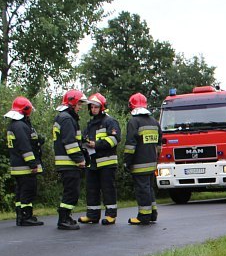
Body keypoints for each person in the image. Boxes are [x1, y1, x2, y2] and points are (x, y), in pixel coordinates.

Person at [79, 93, 121, 225]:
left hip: (107, 162)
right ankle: (92, 215)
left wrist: (96, 144)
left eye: (96, 107)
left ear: (102, 107)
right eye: (91, 107)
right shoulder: (90, 123)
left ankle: (111, 215)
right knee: (91, 189)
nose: (93, 109)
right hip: (92, 163)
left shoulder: (110, 121)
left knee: (108, 189)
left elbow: (115, 139)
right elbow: (85, 137)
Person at [5, 96, 44, 226]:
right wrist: (32, 164)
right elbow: (25, 147)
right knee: (28, 191)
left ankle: (20, 216)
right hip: (24, 167)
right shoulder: (20, 126)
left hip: (17, 166)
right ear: (25, 110)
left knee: (20, 192)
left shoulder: (14, 125)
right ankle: (26, 216)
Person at [124, 92, 161, 225]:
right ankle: (152, 213)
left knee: (142, 190)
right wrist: (156, 159)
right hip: (152, 163)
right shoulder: (154, 122)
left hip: (139, 163)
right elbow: (159, 144)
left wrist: (127, 162)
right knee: (149, 189)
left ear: (131, 106)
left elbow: (130, 146)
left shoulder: (134, 122)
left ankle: (143, 216)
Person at [53, 89, 88, 230]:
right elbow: (70, 142)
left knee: (71, 191)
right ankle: (63, 218)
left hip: (66, 162)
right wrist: (80, 159)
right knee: (71, 192)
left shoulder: (63, 117)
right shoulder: (67, 118)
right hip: (69, 162)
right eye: (79, 104)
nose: (80, 107)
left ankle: (66, 216)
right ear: (72, 103)